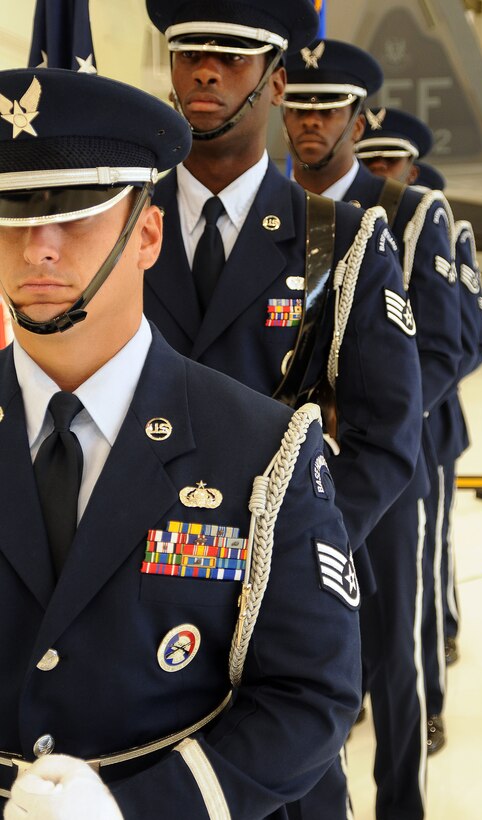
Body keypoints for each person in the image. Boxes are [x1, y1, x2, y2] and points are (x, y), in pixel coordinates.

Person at [0, 66, 362, 820]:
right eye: (13, 213)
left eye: (77, 211)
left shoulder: (260, 450)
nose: (40, 247)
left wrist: (136, 813)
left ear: (149, 234)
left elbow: (308, 694)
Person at [143, 5, 423, 814]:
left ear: (275, 81)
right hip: (128, 589)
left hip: (270, 594)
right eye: (190, 52)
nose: (204, 71)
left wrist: (301, 545)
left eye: (230, 57)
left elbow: (385, 436)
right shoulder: (121, 223)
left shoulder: (341, 238)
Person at [283, 41, 462, 820]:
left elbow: (446, 345)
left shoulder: (408, 213)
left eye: (327, 108)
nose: (309, 122)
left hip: (384, 471)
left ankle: (402, 806)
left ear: (359, 117)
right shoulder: (274, 215)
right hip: (283, 483)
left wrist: (358, 414)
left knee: (396, 650)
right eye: (299, 106)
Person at [356, 115, 482, 752]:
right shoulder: (337, 222)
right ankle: (353, 684)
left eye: (391, 165)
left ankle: (427, 696)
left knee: (423, 573)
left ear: (411, 169)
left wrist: (398, 408)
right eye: (371, 162)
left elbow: (466, 341)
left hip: (424, 430)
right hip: (351, 440)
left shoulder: (437, 229)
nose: (380, 174)